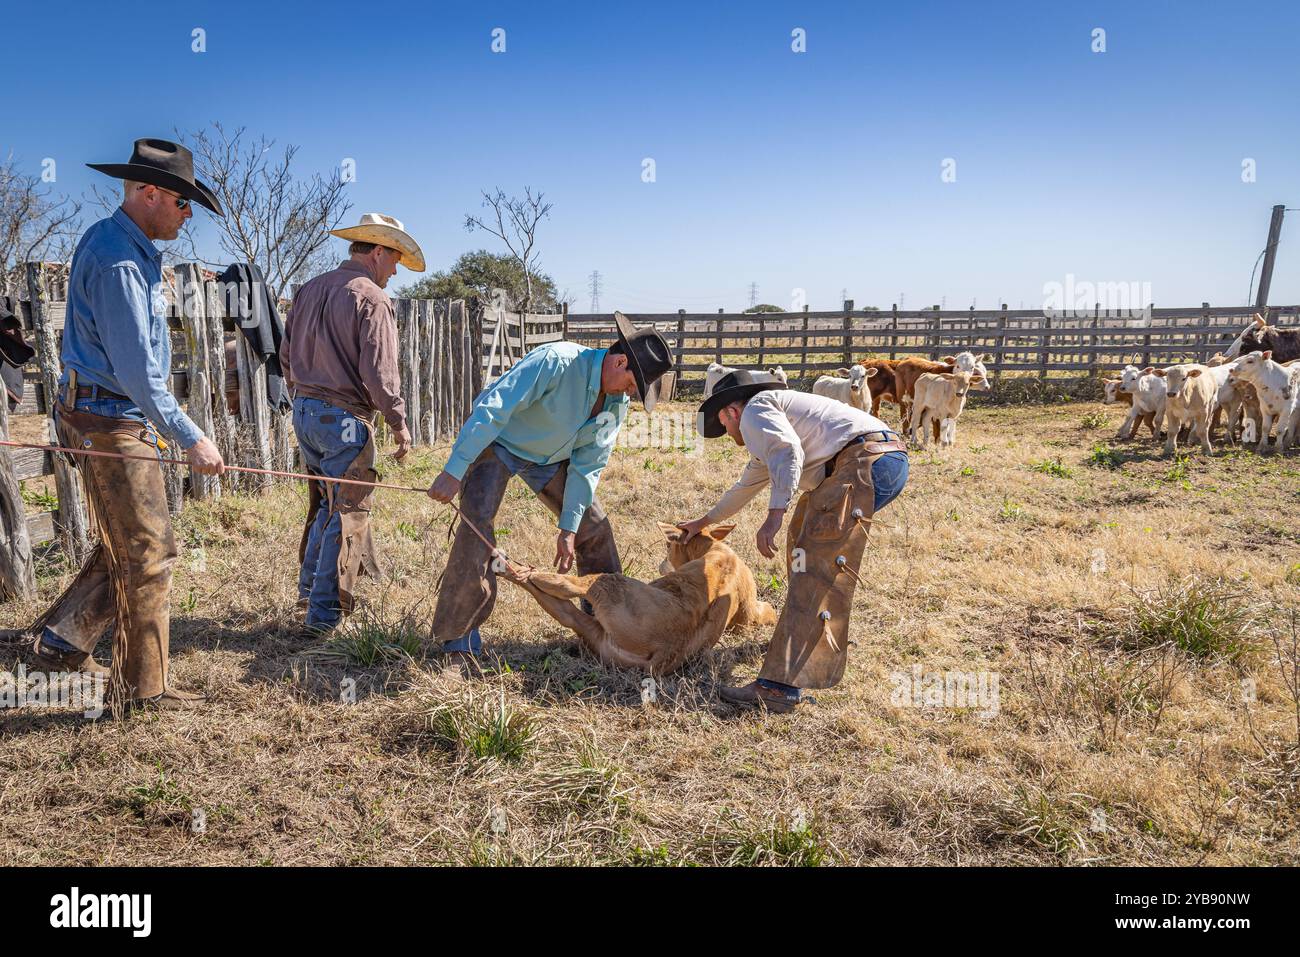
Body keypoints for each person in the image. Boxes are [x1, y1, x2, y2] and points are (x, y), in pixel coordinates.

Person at [30, 138, 226, 713]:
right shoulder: (119, 261)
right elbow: (137, 370)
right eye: (182, 203)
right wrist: (190, 436)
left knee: (128, 542)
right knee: (149, 553)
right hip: (110, 421)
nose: (187, 216)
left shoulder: (125, 246)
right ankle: (141, 691)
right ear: (148, 194)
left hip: (107, 416)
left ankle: (60, 641)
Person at [426, 311, 673, 674]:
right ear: (620, 362)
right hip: (499, 442)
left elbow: (588, 465)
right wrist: (454, 470)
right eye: (633, 386)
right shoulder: (556, 362)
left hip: (551, 457)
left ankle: (609, 628)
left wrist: (569, 527)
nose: (631, 395)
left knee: (596, 528)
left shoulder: (614, 404)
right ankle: (458, 644)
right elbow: (494, 409)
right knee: (476, 526)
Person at [678, 370, 910, 713]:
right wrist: (705, 521)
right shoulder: (765, 425)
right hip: (873, 458)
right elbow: (746, 486)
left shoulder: (755, 412)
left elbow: (788, 452)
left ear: (730, 412)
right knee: (801, 546)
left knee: (814, 563)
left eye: (723, 425)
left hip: (863, 462)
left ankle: (778, 688)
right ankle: (806, 637)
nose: (727, 434)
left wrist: (773, 516)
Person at [279, 213, 422, 635]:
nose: (395, 270)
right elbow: (380, 373)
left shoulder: (308, 289)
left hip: (305, 412)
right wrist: (398, 422)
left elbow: (286, 357)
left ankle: (309, 594)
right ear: (377, 251)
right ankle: (322, 618)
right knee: (348, 513)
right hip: (344, 417)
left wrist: (306, 394)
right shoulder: (372, 298)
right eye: (394, 259)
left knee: (326, 504)